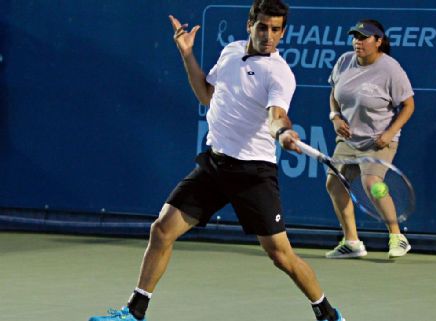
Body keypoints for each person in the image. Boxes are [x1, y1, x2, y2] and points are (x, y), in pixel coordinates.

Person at [88, 1, 346, 321]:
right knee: (162, 229)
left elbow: (276, 116)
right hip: (214, 165)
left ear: (283, 32)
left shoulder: (279, 74)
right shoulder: (231, 52)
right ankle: (135, 311)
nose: (269, 35)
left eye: (276, 29)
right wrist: (187, 54)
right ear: (249, 24)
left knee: (281, 255)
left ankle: (327, 313)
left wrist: (283, 133)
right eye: (262, 27)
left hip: (253, 173)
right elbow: (207, 95)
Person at [324, 19, 415, 259]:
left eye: (364, 37)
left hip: (379, 139)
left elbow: (408, 105)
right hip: (349, 138)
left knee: (372, 182)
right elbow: (334, 93)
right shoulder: (345, 61)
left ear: (379, 41)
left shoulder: (391, 69)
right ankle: (352, 241)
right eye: (355, 37)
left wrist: (389, 133)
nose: (358, 42)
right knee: (334, 183)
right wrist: (335, 117)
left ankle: (397, 237)